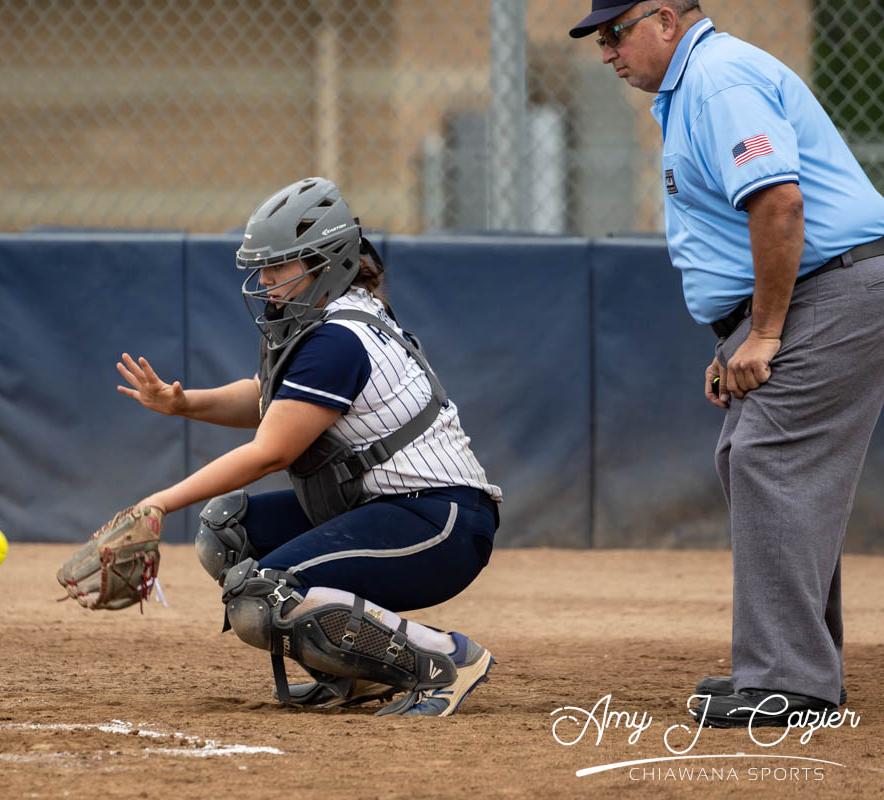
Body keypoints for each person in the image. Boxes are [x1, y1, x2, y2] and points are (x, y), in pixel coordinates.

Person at [570, 1, 884, 727]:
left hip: (831, 287)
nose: (606, 51)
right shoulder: (696, 85)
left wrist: (765, 333)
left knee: (770, 460)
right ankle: (800, 665)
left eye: (615, 32)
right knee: (759, 460)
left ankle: (791, 680)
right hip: (812, 292)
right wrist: (739, 339)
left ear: (665, 21)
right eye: (599, 38)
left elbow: (779, 205)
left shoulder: (718, 79)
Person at [114, 177, 502, 716]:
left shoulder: (337, 339)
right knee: (227, 531)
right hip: (387, 507)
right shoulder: (338, 316)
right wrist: (183, 403)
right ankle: (356, 674)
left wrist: (156, 503)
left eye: (280, 265)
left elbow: (270, 450)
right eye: (263, 266)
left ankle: (447, 658)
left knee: (263, 597)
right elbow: (273, 401)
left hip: (439, 522)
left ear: (326, 262)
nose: (265, 280)